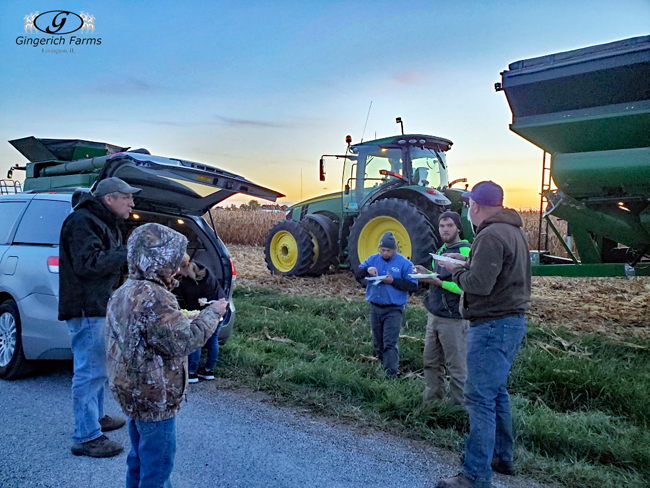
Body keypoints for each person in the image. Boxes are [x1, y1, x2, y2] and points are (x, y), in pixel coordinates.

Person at [106, 223, 227, 488]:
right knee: (158, 470)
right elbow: (185, 341)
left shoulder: (124, 290)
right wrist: (213, 313)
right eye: (173, 260)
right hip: (154, 398)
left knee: (139, 461)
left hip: (131, 393)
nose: (176, 267)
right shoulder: (155, 298)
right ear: (159, 259)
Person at [434, 181, 531, 488]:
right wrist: (467, 263)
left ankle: (474, 476)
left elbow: (480, 285)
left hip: (491, 326)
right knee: (496, 392)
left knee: (479, 398)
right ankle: (501, 456)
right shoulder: (514, 231)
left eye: (467, 206)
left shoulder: (490, 234)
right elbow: (495, 272)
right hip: (511, 322)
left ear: (474, 206)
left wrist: (455, 271)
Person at [59, 177, 141, 457]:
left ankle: (96, 418)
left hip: (100, 306)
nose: (132, 203)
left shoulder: (102, 222)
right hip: (87, 307)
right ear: (109, 199)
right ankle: (86, 436)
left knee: (99, 370)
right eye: (127, 197)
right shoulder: (83, 221)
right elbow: (88, 264)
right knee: (89, 371)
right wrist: (126, 252)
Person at [413, 211, 471, 405]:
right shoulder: (439, 252)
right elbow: (439, 277)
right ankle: (432, 404)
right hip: (435, 314)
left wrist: (436, 282)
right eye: (442, 226)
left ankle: (459, 409)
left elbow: (464, 287)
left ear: (458, 228)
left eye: (449, 226)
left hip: (453, 318)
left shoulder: (465, 252)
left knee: (457, 367)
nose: (445, 230)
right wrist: (426, 272)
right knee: (430, 362)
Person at [355, 231, 418, 378]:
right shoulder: (372, 259)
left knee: (390, 342)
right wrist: (367, 270)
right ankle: (381, 368)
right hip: (375, 307)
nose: (384, 253)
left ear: (394, 250)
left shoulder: (405, 264)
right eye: (382, 250)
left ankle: (391, 375)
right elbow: (358, 274)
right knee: (378, 342)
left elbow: (413, 286)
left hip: (393, 309)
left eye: (388, 250)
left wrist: (393, 282)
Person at [175, 253, 226, 383]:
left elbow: (188, 305)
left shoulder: (188, 284)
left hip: (203, 314)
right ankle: (208, 370)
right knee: (213, 340)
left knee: (195, 337)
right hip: (219, 309)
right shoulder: (203, 269)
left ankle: (192, 372)